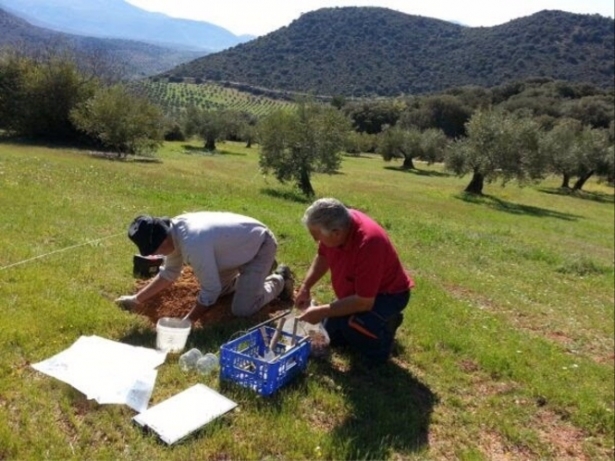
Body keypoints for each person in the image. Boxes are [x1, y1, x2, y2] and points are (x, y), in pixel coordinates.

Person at [295, 198, 414, 363]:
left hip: (387, 295)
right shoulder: (336, 225)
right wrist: (306, 287)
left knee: (364, 342)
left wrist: (322, 311)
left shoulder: (370, 243)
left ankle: (386, 327)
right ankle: (357, 325)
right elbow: (323, 257)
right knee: (331, 334)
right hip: (357, 293)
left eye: (317, 237)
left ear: (336, 233)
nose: (317, 241)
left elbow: (364, 302)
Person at [115, 212, 293, 321]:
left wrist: (188, 321)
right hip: (231, 250)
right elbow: (169, 273)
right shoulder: (173, 235)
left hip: (260, 245)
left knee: (242, 309)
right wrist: (136, 299)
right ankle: (253, 276)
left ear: (164, 236)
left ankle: (279, 279)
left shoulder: (193, 243)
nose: (159, 254)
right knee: (221, 291)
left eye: (157, 249)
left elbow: (210, 290)